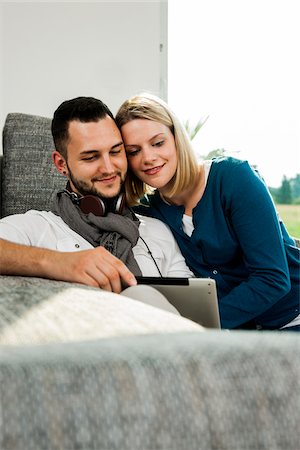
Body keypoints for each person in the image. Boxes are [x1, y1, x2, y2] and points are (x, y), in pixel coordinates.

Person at [115, 92, 300, 331]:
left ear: (176, 139)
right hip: (241, 330)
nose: (148, 157)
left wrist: (197, 326)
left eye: (158, 143)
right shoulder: (151, 212)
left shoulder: (234, 178)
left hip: (293, 315)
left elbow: (272, 279)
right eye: (133, 151)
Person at [0, 96, 193, 304]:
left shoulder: (157, 231)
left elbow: (192, 308)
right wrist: (59, 263)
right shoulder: (36, 228)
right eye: (91, 157)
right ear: (61, 164)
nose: (109, 168)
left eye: (116, 151)